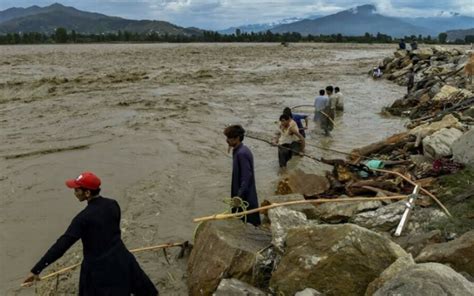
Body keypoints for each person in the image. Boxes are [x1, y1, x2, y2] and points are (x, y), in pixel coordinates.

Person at [23, 172, 158, 296]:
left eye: (77, 190)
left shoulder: (82, 219)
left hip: (98, 272)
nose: (74, 192)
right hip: (123, 260)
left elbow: (62, 245)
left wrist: (36, 270)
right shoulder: (113, 204)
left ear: (87, 193)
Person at [224, 125, 261, 226]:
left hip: (245, 197)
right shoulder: (239, 150)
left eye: (229, 138)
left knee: (248, 223)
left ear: (237, 138)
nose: (227, 140)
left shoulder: (242, 154)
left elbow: (246, 177)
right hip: (242, 194)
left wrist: (238, 196)